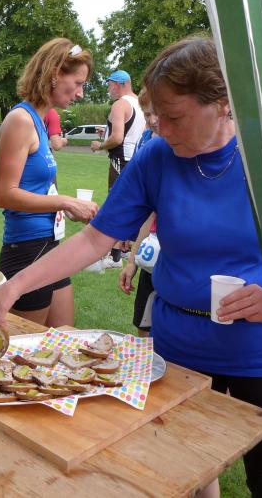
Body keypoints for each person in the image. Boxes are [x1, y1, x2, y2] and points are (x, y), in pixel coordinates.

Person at [0, 36, 262, 498]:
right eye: (156, 116)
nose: (161, 128)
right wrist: (14, 286)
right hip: (178, 349)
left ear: (223, 104)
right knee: (184, 474)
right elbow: (96, 239)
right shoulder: (157, 156)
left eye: (174, 117)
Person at [0, 39, 98, 328]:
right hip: (27, 249)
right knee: (23, 349)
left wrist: (67, 207)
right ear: (54, 73)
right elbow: (4, 195)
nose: (80, 93)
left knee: (64, 337)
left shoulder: (41, 120)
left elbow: (37, 187)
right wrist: (65, 202)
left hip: (50, 245)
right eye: (77, 83)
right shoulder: (21, 120)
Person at [91, 69, 146, 265]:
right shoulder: (141, 102)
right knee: (132, 204)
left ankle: (114, 256)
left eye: (109, 85)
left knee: (116, 204)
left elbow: (117, 138)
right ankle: (125, 250)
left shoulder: (120, 104)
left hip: (120, 159)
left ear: (120, 84)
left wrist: (100, 145)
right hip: (138, 158)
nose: (108, 90)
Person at [119, 86, 160, 336]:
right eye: (147, 114)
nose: (152, 120)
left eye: (157, 112)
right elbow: (147, 212)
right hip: (150, 258)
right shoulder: (148, 144)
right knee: (144, 331)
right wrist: (132, 260)